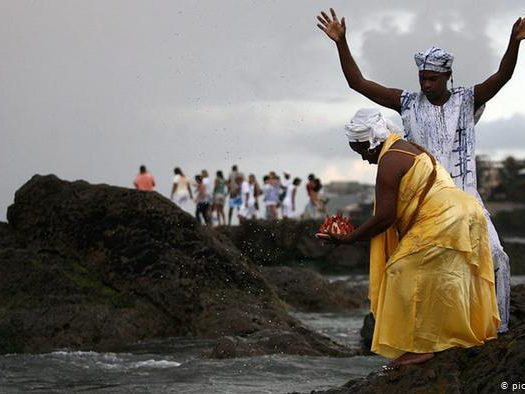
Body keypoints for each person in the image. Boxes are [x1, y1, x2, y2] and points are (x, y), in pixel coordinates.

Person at [316, 8, 525, 333]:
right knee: (426, 272)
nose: (426, 84)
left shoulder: (467, 99)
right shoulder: (409, 103)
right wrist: (341, 43)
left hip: (467, 198)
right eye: (422, 78)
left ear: (447, 77)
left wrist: (514, 43)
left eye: (432, 79)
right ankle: (431, 336)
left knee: (494, 257)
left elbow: (503, 77)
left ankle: (493, 332)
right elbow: (358, 83)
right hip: (424, 204)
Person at [320, 108, 499, 368]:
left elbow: (385, 217)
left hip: (445, 217)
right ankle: (453, 338)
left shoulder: (390, 160)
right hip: (467, 212)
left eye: (362, 151)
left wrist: (349, 239)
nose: (364, 159)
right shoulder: (408, 148)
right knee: (449, 278)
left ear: (373, 141)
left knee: (402, 273)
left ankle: (420, 347)